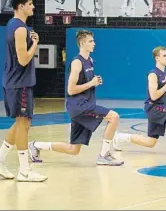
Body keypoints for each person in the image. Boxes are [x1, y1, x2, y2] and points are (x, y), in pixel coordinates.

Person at [28, 30, 124, 166]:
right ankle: (104, 155)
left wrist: (94, 82)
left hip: (84, 105)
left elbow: (85, 83)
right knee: (114, 117)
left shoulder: (89, 61)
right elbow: (71, 90)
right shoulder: (77, 63)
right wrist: (91, 83)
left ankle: (36, 145)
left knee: (73, 149)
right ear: (82, 43)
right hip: (80, 106)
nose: (94, 43)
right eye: (91, 41)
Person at [0, 0, 48, 182]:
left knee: (23, 122)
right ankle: (24, 170)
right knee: (23, 124)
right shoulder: (20, 28)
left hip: (19, 81)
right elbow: (23, 60)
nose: (33, 6)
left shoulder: (15, 25)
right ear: (21, 6)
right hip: (19, 82)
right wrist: (35, 45)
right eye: (30, 3)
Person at [112, 46, 166, 155]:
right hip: (154, 108)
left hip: (160, 107)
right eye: (164, 56)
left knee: (151, 142)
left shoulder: (165, 74)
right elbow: (154, 96)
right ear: (157, 58)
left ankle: (120, 137)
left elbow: (165, 97)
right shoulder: (153, 74)